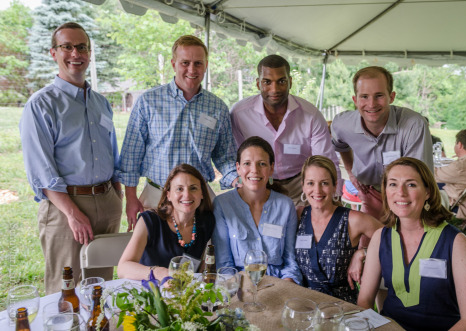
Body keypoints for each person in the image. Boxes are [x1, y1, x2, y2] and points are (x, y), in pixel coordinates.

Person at [19, 22, 122, 294]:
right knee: (64, 290)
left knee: (102, 286)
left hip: (107, 202)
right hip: (67, 208)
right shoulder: (41, 104)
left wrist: (117, 195)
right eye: (67, 46)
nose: (75, 53)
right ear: (54, 53)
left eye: (82, 47)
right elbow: (41, 168)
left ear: (89, 53)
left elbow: (111, 150)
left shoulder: (101, 102)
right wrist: (72, 213)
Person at [119, 35, 238, 230]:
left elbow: (224, 157)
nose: (192, 70)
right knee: (153, 257)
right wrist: (131, 198)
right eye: (185, 63)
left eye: (198, 63)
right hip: (156, 195)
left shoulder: (217, 108)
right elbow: (131, 156)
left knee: (199, 255)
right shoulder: (149, 102)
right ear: (174, 64)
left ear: (206, 65)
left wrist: (238, 179)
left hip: (198, 198)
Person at [358, 157, 466, 331]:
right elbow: (364, 301)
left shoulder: (455, 242)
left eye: (411, 184)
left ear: (428, 192)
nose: (400, 192)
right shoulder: (381, 237)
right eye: (393, 184)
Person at [230, 55, 341, 205]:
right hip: (259, 183)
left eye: (281, 81)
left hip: (301, 183)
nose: (274, 89)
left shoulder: (311, 115)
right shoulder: (239, 114)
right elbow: (233, 154)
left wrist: (335, 195)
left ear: (290, 82)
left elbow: (326, 161)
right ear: (258, 84)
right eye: (267, 82)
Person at [331, 66, 433, 221]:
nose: (371, 104)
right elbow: (340, 145)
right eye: (364, 96)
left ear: (391, 97)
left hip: (406, 195)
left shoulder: (414, 125)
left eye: (379, 96)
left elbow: (418, 178)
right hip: (369, 193)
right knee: (371, 242)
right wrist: (351, 173)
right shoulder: (342, 124)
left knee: (406, 241)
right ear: (355, 100)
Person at [212, 136, 302, 284]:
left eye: (262, 164)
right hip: (239, 285)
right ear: (238, 168)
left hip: (279, 284)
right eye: (247, 163)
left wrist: (287, 285)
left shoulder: (285, 205)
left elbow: (290, 260)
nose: (254, 170)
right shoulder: (222, 205)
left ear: (271, 168)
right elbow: (224, 265)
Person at [295, 156, 382, 303]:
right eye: (310, 183)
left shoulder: (353, 220)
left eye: (324, 183)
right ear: (303, 186)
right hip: (304, 304)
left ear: (335, 186)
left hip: (342, 307)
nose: (317, 190)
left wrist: (364, 253)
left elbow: (393, 239)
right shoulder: (297, 215)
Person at [117, 164, 214, 280]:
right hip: (150, 291)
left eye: (193, 188)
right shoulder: (149, 221)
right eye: (179, 189)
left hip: (185, 293)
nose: (187, 195)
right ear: (168, 195)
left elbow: (204, 263)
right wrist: (160, 273)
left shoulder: (206, 221)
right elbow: (123, 268)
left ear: (202, 193)